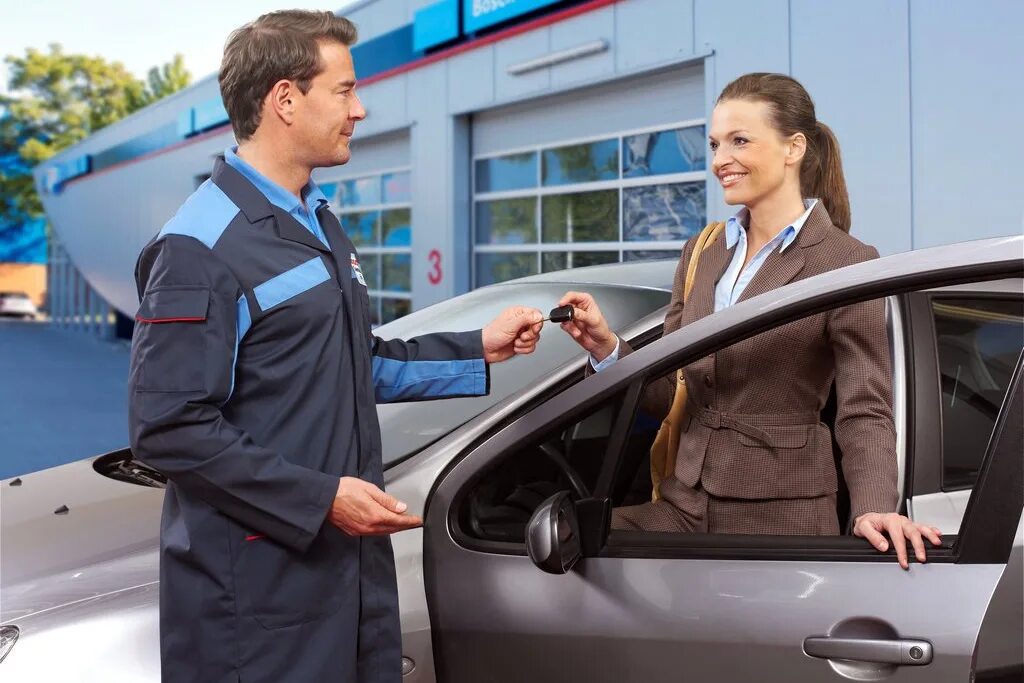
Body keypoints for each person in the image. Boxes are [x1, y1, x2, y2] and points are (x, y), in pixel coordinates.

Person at [127, 11, 544, 683]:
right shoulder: (199, 244)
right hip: (254, 597)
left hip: (342, 576)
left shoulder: (317, 219)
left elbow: (353, 360)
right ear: (285, 100)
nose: (361, 108)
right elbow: (168, 427)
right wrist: (320, 498)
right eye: (345, 90)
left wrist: (479, 348)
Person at [558, 73, 940, 570]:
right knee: (571, 552)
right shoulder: (702, 252)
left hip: (785, 515)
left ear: (793, 148)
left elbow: (864, 407)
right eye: (715, 143)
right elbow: (671, 393)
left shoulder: (847, 260)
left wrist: (873, 507)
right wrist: (608, 349)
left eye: (740, 141)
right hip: (684, 502)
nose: (719, 160)